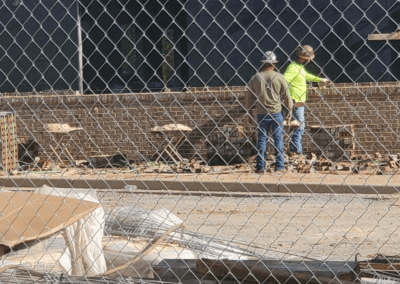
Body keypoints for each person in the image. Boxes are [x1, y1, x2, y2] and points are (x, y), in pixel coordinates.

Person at [246, 51, 293, 174]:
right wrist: (289, 111)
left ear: (263, 63)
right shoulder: (279, 77)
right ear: (274, 64)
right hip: (276, 112)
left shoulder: (255, 78)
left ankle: (260, 167)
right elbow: (287, 96)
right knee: (278, 139)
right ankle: (279, 166)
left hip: (261, 113)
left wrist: (249, 112)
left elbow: (249, 97)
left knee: (261, 139)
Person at [284, 45, 330, 155]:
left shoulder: (299, 67)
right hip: (295, 101)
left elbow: (307, 76)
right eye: (308, 59)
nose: (309, 61)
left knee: (297, 126)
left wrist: (320, 80)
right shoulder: (293, 68)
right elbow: (283, 81)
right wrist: (290, 97)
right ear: (304, 58)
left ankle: (294, 150)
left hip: (299, 101)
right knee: (299, 126)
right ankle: (297, 152)